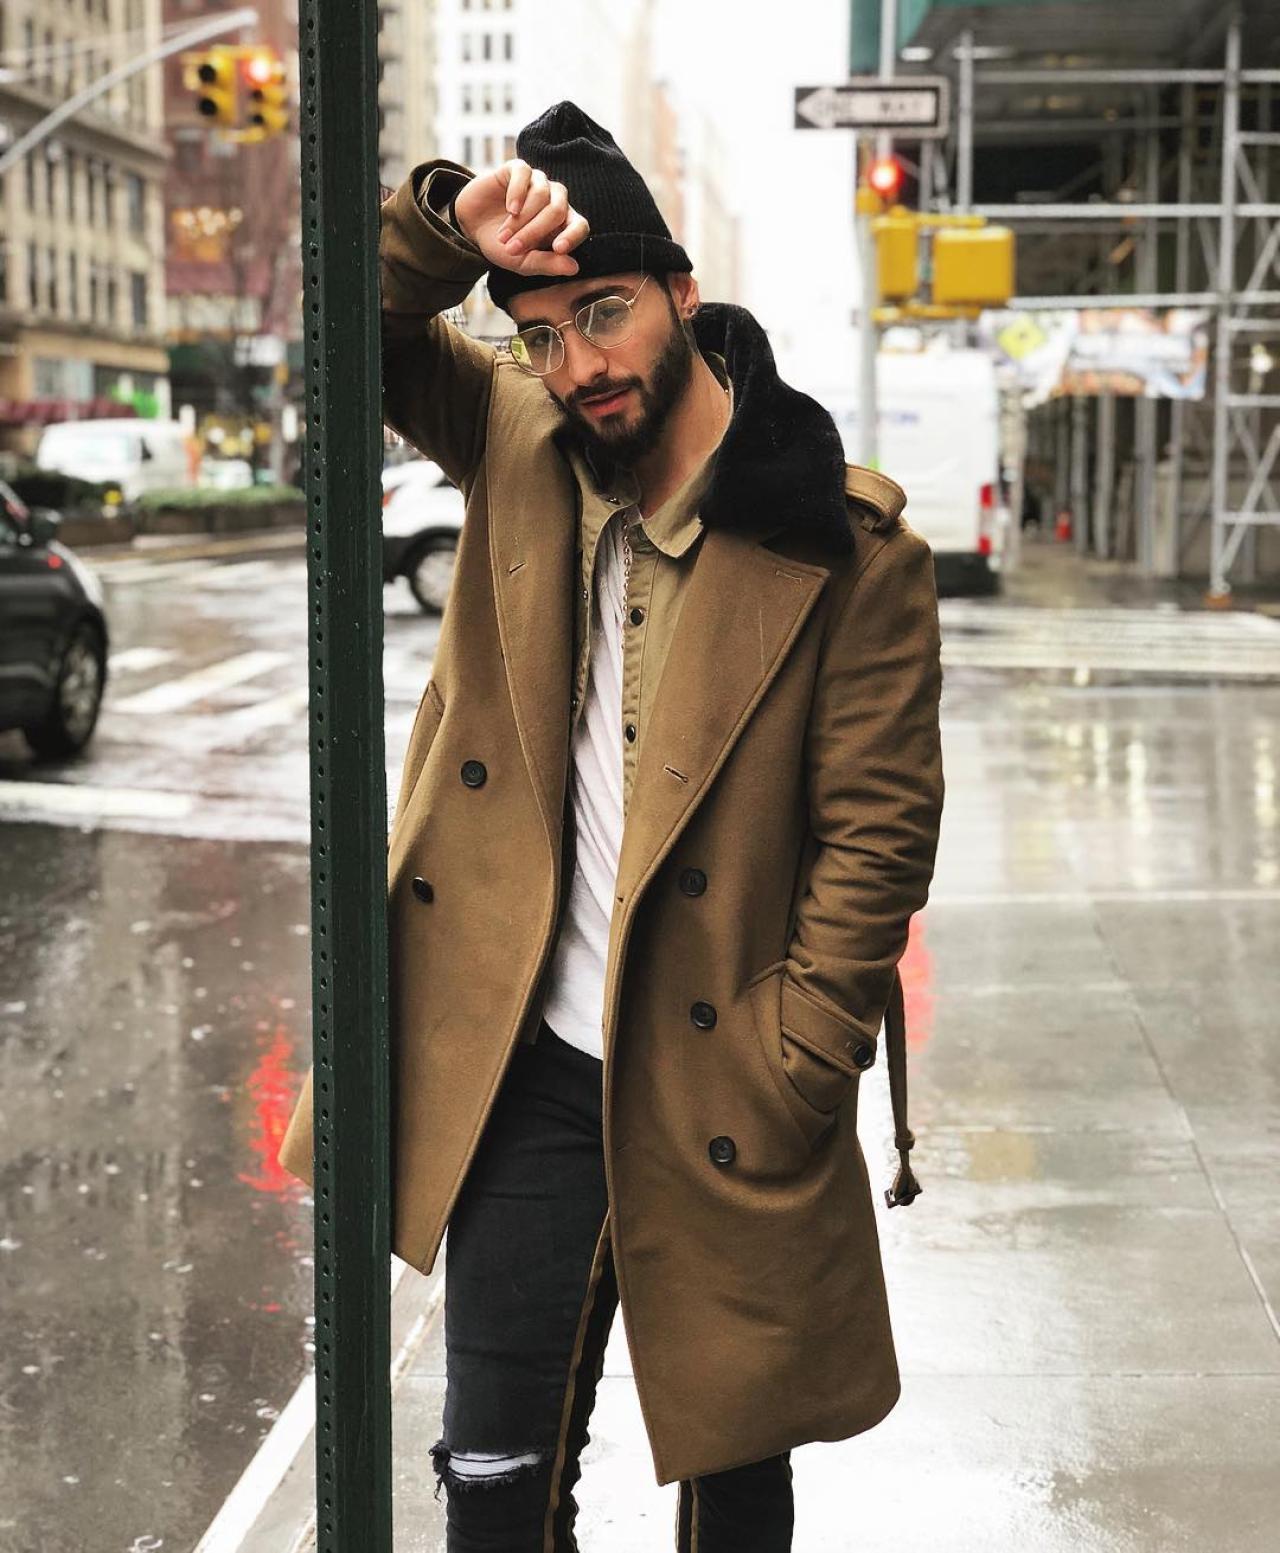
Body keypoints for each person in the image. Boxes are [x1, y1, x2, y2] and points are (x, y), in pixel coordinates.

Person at [278, 100, 945, 1551]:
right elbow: (348, 342)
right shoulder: (520, 435)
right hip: (533, 1072)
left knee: (732, 1492)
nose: (578, 364)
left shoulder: (849, 550)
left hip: (727, 1068)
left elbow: (880, 834)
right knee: (494, 1487)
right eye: (542, 335)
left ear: (682, 297)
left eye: (605, 314)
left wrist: (799, 1052)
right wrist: (450, 229)